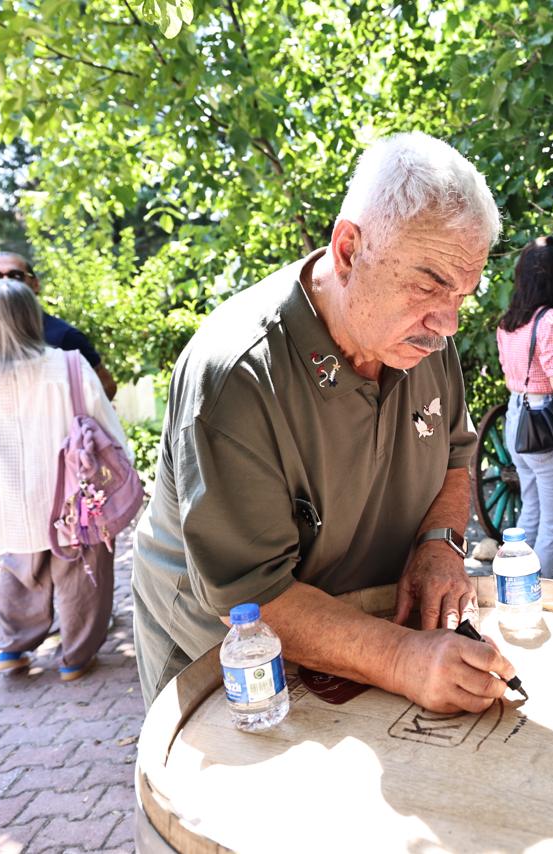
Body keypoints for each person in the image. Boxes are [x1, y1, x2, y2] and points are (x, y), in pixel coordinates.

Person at [131, 132, 518, 713]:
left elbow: (457, 457)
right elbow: (251, 597)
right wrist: (402, 659)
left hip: (363, 638)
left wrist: (440, 544)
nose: (448, 323)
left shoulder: (425, 339)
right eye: (430, 283)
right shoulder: (237, 374)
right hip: (229, 664)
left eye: (463, 294)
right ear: (348, 249)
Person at [0, 279, 128, 680]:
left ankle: (12, 650)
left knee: (19, 575)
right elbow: (108, 431)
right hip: (72, 497)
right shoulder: (67, 365)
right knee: (83, 577)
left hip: (8, 498)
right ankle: (75, 657)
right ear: (34, 317)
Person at [495, 236, 553, 575]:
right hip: (547, 427)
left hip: (516, 421)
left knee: (531, 510)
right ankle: (535, 597)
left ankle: (511, 583)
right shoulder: (552, 320)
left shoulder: (509, 323)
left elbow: (512, 376)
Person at [0, 250, 119, 399]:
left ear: (35, 284)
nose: (5, 282)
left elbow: (107, 387)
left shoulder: (66, 336)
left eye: (15, 276)